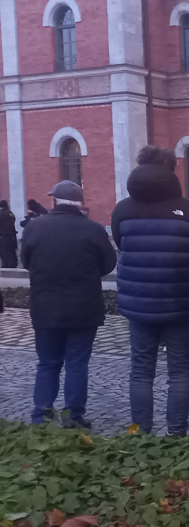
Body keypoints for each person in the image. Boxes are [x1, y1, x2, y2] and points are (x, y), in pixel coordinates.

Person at [111, 145, 189, 437]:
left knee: (141, 369)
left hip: (138, 303)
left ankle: (140, 432)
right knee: (179, 370)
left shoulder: (123, 209)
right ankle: (176, 432)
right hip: (179, 301)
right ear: (172, 171)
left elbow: (121, 244)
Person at [20, 181, 116, 428]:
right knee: (77, 363)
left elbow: (27, 261)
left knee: (48, 362)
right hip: (83, 307)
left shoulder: (35, 227)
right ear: (80, 202)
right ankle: (72, 416)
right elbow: (108, 264)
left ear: (54, 201)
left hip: (45, 306)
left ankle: (41, 416)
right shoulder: (93, 230)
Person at [0, 199, 17, 268]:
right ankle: (13, 263)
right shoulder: (10, 213)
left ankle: (6, 264)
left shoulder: (2, 214)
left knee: (4, 250)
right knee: (12, 250)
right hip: (12, 234)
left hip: (4, 234)